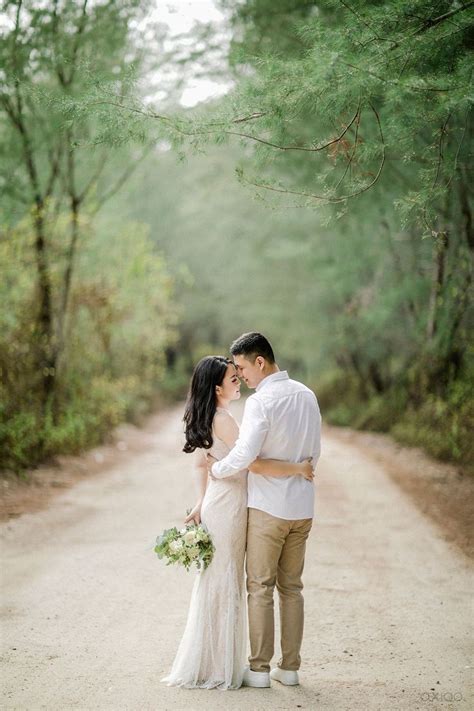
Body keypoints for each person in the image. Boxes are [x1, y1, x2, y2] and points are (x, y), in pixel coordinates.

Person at [161, 355, 314, 690]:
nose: (239, 381)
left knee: (218, 580)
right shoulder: (225, 419)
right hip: (229, 505)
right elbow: (251, 464)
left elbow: (202, 466)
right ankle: (220, 668)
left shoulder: (211, 416)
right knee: (226, 581)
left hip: (219, 501)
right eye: (233, 378)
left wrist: (202, 500)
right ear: (217, 388)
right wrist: (298, 468)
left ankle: (214, 662)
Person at [211, 332, 321, 688]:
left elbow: (244, 456)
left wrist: (216, 470)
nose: (240, 375)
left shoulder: (262, 401)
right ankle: (290, 668)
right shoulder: (307, 395)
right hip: (302, 507)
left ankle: (259, 669)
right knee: (292, 588)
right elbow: (313, 452)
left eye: (242, 367)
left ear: (260, 362)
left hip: (268, 508)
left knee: (259, 587)